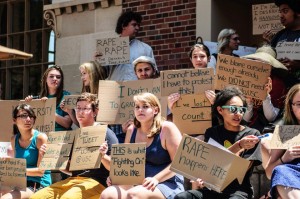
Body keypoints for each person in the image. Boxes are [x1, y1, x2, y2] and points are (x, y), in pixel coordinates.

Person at [174, 86, 261, 199]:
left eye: (242, 109)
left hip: (238, 192)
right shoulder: (212, 133)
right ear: (220, 110)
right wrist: (200, 179)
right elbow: (211, 167)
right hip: (212, 190)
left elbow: (238, 171)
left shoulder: (252, 135)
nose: (238, 113)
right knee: (182, 197)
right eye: (233, 109)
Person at [30, 92, 118, 199]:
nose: (80, 112)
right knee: (38, 197)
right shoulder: (75, 135)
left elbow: (116, 167)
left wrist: (103, 156)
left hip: (97, 183)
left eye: (85, 108)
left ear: (95, 112)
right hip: (73, 181)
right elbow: (70, 169)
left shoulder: (106, 133)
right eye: (78, 108)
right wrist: (51, 156)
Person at [100, 92, 184, 199]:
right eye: (137, 107)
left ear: (156, 110)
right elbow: (126, 165)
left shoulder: (168, 128)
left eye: (145, 106)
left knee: (133, 194)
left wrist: (156, 179)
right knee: (107, 194)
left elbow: (179, 164)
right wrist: (116, 177)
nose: (140, 110)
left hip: (167, 182)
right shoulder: (131, 130)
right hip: (138, 182)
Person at [0, 104, 51, 199]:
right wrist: (8, 164)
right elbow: (20, 164)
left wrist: (15, 170)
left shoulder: (40, 138)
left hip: (37, 184)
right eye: (23, 116)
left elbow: (41, 172)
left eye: (31, 116)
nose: (28, 119)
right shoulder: (14, 139)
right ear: (14, 120)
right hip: (20, 183)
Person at [97, 10, 156, 81]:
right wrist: (98, 61)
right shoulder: (109, 48)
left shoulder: (145, 48)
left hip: (137, 89)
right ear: (123, 26)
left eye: (138, 25)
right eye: (134, 25)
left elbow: (154, 73)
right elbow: (101, 74)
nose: (137, 28)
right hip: (116, 89)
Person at [264, 84, 300, 199]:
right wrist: (286, 157)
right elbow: (270, 173)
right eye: (299, 104)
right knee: (280, 171)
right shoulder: (286, 133)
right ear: (291, 107)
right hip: (292, 177)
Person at [242, 45, 288, 133]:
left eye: (264, 63)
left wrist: (265, 96)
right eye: (257, 62)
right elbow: (244, 119)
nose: (260, 66)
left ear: (271, 66)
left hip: (266, 131)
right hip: (245, 129)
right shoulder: (245, 80)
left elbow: (271, 118)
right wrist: (249, 102)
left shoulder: (277, 84)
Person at [263, 0, 300, 87]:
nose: (281, 16)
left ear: (298, 12)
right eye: (280, 12)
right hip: (281, 90)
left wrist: (298, 65)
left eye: (285, 11)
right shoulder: (279, 35)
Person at [25, 65, 72, 131]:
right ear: (45, 79)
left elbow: (67, 124)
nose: (55, 79)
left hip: (61, 138)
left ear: (61, 81)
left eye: (58, 77)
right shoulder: (38, 99)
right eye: (51, 76)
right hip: (43, 137)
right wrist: (28, 105)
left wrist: (48, 110)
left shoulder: (67, 96)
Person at [60, 61, 106, 127]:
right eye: (81, 74)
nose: (82, 77)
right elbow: (81, 124)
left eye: (84, 73)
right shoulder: (85, 95)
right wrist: (69, 111)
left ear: (93, 74)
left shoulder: (106, 94)